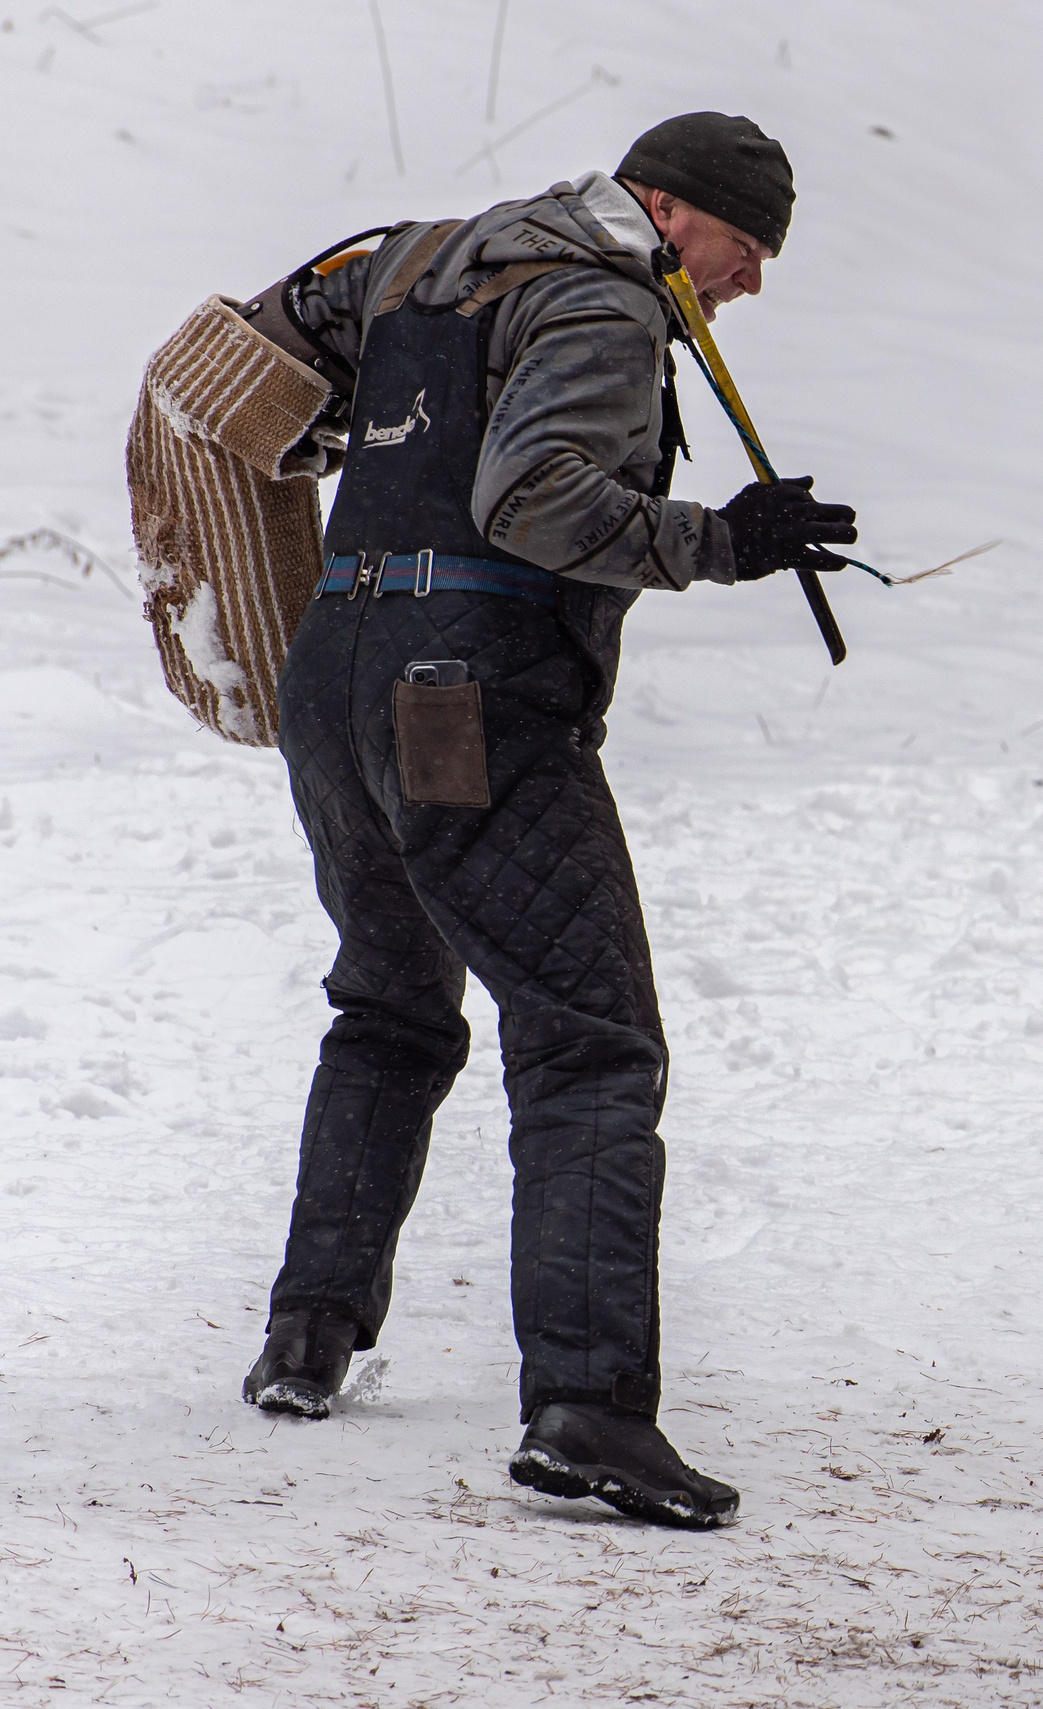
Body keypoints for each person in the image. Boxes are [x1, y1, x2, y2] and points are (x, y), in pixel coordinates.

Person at [238, 113, 862, 1530]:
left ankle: (307, 1333)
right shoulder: (601, 292)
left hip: (330, 675)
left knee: (392, 1007)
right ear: (660, 206)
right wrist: (720, 541)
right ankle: (586, 1404)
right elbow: (529, 503)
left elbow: (260, 346)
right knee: (592, 1040)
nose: (751, 278)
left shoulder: (418, 259)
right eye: (741, 245)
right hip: (467, 690)